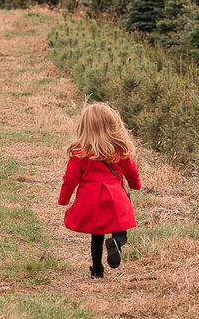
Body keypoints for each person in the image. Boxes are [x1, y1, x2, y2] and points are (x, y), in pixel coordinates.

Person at [57, 102, 141, 277]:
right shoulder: (119, 148)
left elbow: (70, 178)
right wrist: (135, 185)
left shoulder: (80, 151)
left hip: (91, 200)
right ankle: (117, 243)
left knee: (96, 235)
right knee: (120, 230)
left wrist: (64, 199)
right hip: (115, 197)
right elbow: (131, 172)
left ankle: (97, 269)